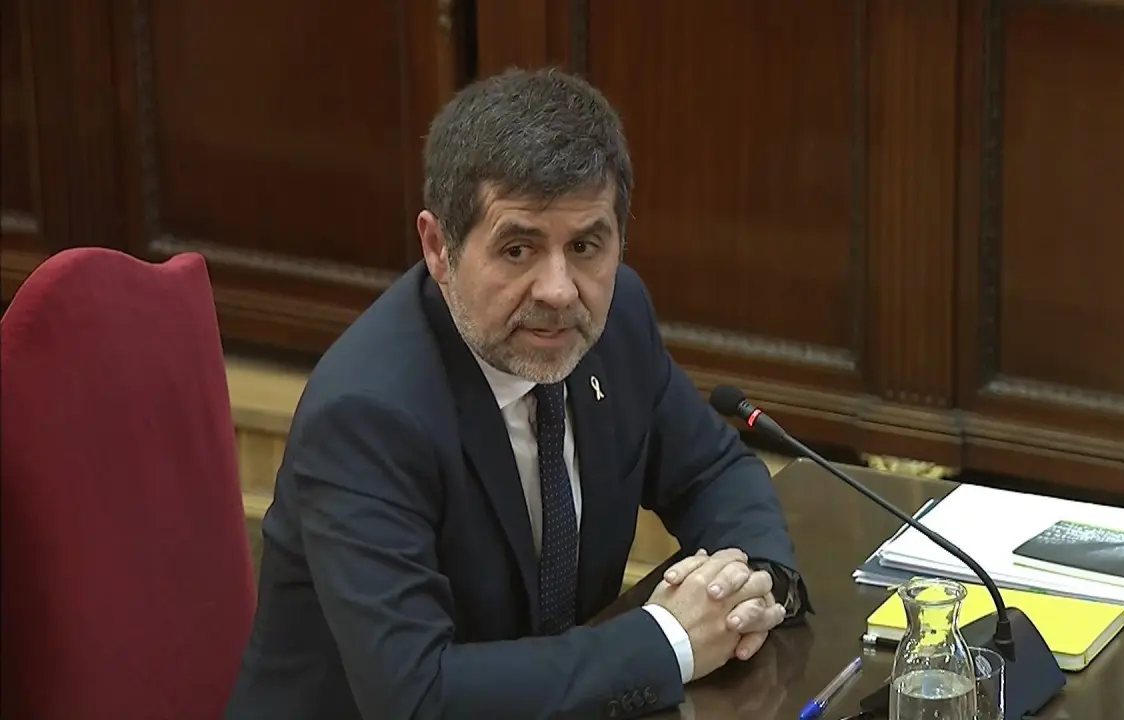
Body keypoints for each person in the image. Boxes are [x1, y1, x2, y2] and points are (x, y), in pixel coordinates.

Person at [224, 68, 810, 720]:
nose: (559, 290)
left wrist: (757, 585)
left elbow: (710, 473)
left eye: (585, 245)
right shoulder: (366, 416)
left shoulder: (616, 322)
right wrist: (669, 640)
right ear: (438, 248)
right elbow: (416, 694)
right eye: (518, 249)